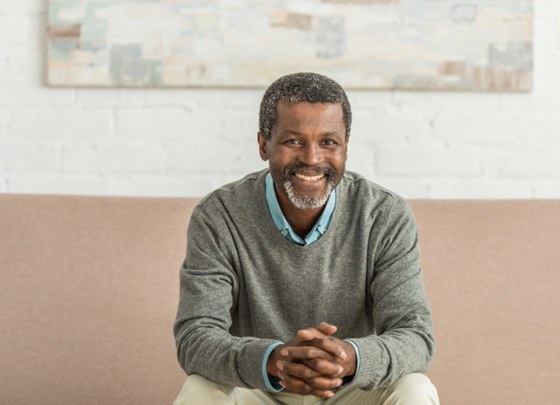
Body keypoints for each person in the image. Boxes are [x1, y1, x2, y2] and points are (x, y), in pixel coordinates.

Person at [173, 72, 439, 404]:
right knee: (200, 390)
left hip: (351, 387)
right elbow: (196, 337)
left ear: (345, 147)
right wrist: (271, 359)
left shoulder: (384, 215)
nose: (312, 159)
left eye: (328, 142)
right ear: (263, 145)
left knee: (415, 389)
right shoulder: (219, 215)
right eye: (294, 141)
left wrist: (349, 357)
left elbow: (415, 336)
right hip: (260, 387)